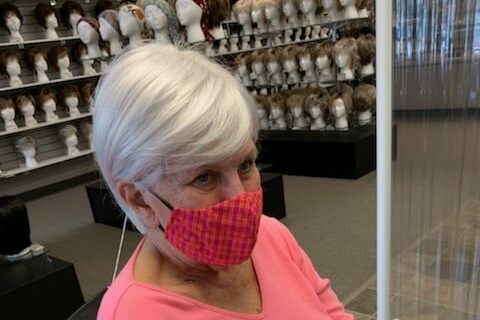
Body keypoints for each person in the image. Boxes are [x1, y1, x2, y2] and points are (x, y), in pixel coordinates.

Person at [94, 42, 353, 320]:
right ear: (139, 198)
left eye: (245, 165)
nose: (239, 197)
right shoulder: (135, 314)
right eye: (203, 177)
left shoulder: (271, 235)